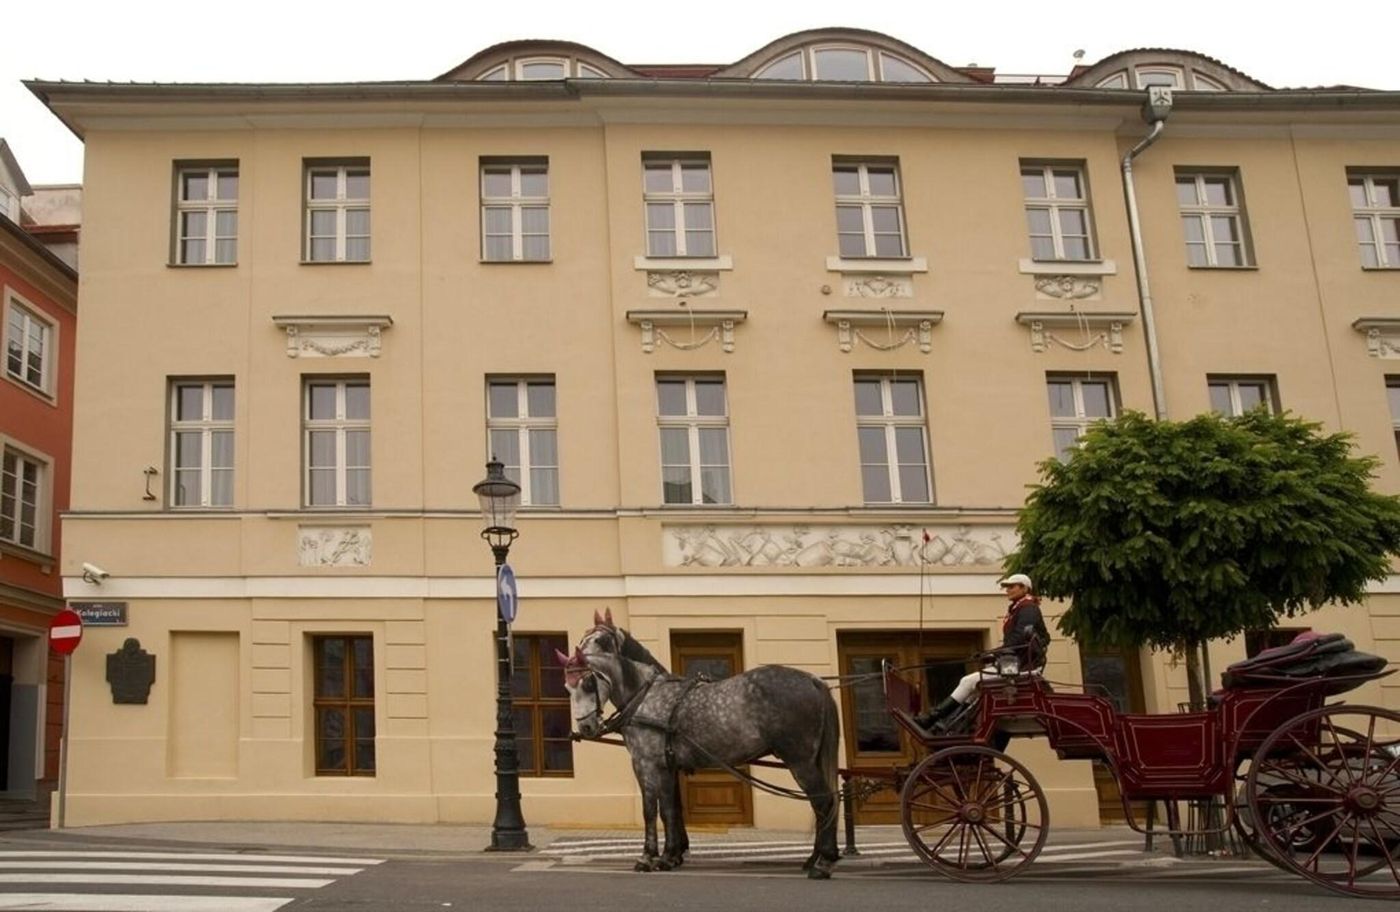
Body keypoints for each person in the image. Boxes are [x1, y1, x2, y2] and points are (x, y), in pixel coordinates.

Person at [915, 573, 1051, 731]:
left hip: (1022, 667)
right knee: (974, 690)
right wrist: (993, 654)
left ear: (1024, 588)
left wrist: (994, 653)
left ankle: (932, 718)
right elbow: (1024, 639)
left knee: (968, 681)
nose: (1007, 590)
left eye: (1011, 586)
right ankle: (949, 724)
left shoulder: (1028, 608)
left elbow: (1019, 638)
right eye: (1007, 587)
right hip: (1016, 664)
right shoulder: (1021, 608)